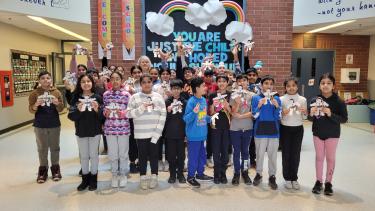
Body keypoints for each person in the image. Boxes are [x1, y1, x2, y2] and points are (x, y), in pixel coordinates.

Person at [309, 73, 348, 196]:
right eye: (323, 83)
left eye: (329, 83)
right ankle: (318, 181)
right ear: (319, 86)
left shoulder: (339, 101)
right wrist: (311, 114)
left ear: (333, 86)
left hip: (332, 134)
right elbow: (311, 119)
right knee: (319, 157)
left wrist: (331, 114)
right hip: (318, 133)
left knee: (330, 158)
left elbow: (344, 119)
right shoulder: (314, 100)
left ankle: (328, 183)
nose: (325, 85)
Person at [127, 74, 166, 190]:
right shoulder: (134, 97)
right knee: (142, 156)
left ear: (152, 83)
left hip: (155, 133)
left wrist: (157, 133)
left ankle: (154, 176)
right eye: (144, 82)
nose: (147, 84)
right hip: (140, 134)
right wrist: (141, 108)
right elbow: (128, 114)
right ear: (140, 84)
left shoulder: (158, 97)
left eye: (149, 82)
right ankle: (143, 177)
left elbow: (163, 115)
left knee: (154, 156)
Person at [68, 74, 103, 191]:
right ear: (80, 84)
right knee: (84, 156)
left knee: (94, 155)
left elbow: (103, 117)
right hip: (81, 131)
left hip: (95, 131)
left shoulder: (98, 97)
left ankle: (93, 178)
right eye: (83, 81)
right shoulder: (76, 98)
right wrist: (78, 110)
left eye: (88, 81)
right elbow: (71, 116)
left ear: (92, 83)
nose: (86, 83)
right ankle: (85, 179)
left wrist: (97, 110)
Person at [28, 71, 64, 183]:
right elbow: (30, 109)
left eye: (48, 78)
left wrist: (57, 103)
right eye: (43, 78)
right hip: (40, 125)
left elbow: (61, 108)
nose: (45, 80)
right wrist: (35, 105)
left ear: (51, 80)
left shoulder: (56, 92)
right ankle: (43, 170)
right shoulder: (34, 93)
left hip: (54, 124)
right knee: (42, 148)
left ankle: (55, 169)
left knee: (55, 147)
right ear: (39, 80)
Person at [251, 75, 281, 190]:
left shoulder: (276, 99)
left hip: (273, 131)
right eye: (266, 83)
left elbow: (278, 117)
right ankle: (258, 174)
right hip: (260, 131)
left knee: (273, 156)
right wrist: (259, 106)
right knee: (259, 155)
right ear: (261, 85)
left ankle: (272, 176)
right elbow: (254, 116)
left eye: (271, 84)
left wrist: (277, 107)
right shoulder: (256, 98)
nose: (268, 86)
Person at [103, 71, 132, 188]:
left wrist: (123, 113)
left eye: (117, 79)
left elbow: (130, 110)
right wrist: (106, 112)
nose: (115, 81)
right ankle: (114, 174)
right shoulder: (106, 95)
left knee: (123, 153)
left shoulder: (127, 95)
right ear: (110, 81)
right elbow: (103, 111)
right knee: (113, 153)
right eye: (112, 79)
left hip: (123, 128)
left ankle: (123, 174)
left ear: (121, 81)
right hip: (110, 128)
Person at [183, 77, 213, 188]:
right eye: (203, 86)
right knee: (193, 157)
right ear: (196, 88)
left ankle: (200, 174)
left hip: (202, 135)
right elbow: (186, 119)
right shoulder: (191, 102)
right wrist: (194, 112)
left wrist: (210, 118)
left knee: (202, 156)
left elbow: (202, 116)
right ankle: (190, 176)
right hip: (193, 136)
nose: (205, 87)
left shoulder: (203, 100)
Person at [280, 77, 307, 190]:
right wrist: (283, 113)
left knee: (296, 154)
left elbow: (305, 117)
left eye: (293, 85)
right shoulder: (281, 99)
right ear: (285, 88)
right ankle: (287, 178)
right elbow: (279, 116)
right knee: (286, 154)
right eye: (288, 86)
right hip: (285, 128)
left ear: (297, 86)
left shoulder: (302, 99)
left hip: (298, 129)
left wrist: (304, 112)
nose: (291, 88)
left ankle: (294, 178)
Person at [230, 74, 254, 185]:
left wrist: (241, 116)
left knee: (245, 151)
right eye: (240, 81)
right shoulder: (233, 95)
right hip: (235, 127)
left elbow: (254, 112)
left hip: (247, 126)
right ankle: (236, 173)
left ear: (247, 82)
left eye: (244, 80)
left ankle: (245, 172)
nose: (242, 82)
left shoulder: (252, 95)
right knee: (236, 151)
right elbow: (232, 111)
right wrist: (238, 103)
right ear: (237, 83)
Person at [208, 75, 231, 184]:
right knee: (216, 151)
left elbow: (232, 112)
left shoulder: (231, 95)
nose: (221, 83)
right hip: (215, 126)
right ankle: (216, 173)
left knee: (225, 152)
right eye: (219, 81)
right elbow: (211, 113)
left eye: (224, 81)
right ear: (216, 83)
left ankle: (223, 173)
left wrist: (226, 105)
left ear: (227, 83)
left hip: (227, 127)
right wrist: (214, 104)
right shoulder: (212, 95)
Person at [164, 79, 187, 184]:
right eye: (174, 89)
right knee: (171, 156)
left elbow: (187, 119)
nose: (176, 91)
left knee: (181, 155)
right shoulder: (167, 102)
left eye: (178, 88)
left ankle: (181, 174)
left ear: (181, 89)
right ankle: (172, 174)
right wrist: (168, 111)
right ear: (171, 90)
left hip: (182, 134)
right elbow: (163, 119)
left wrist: (186, 134)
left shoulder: (185, 102)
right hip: (170, 134)